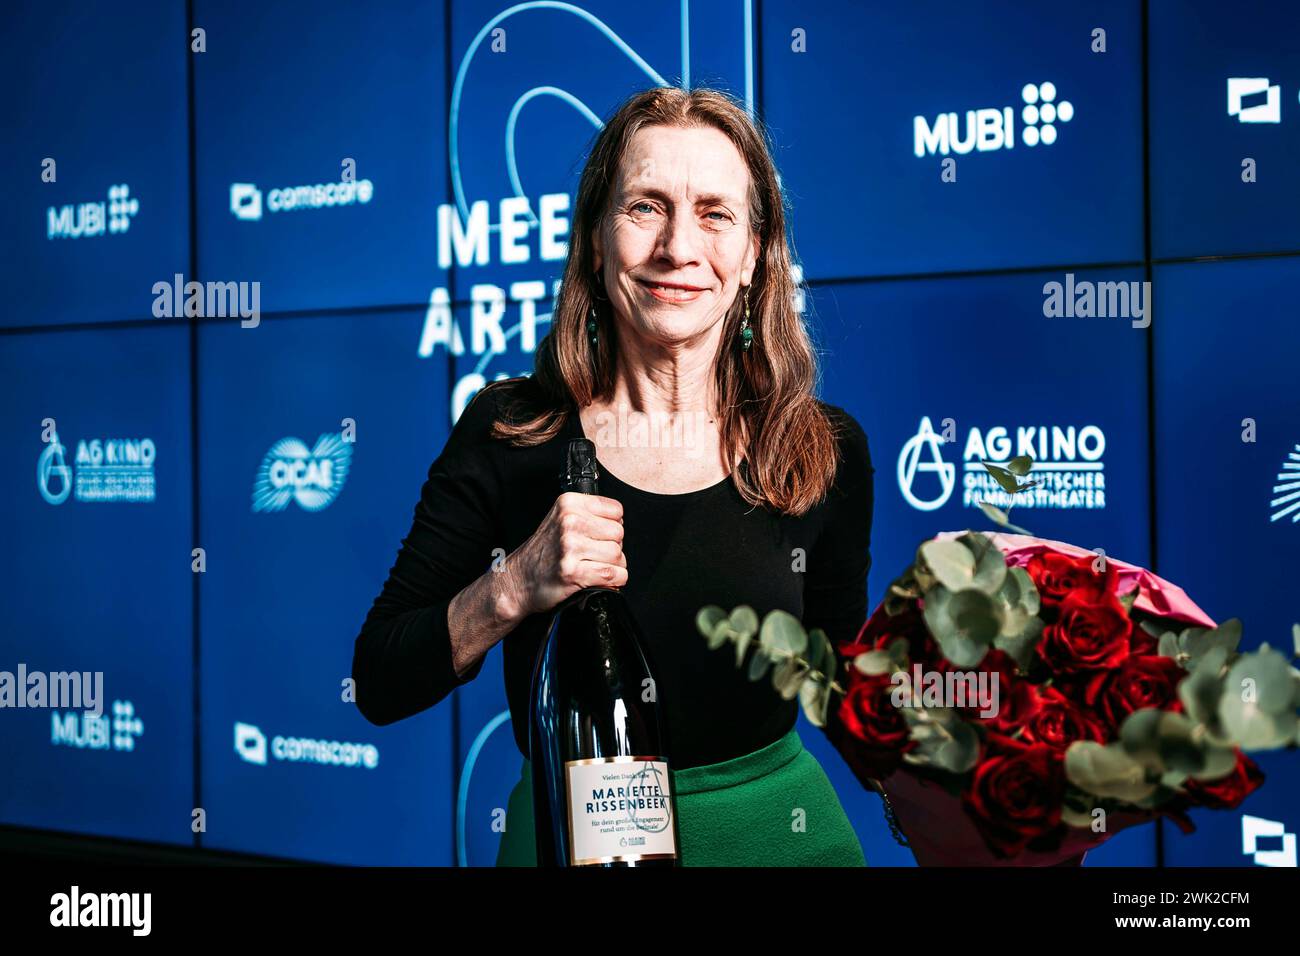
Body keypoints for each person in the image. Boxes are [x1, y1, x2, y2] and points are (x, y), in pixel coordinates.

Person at [352, 86, 874, 866]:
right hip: (569, 843)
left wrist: (998, 784)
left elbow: (847, 698)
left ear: (757, 255)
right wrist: (512, 587)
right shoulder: (509, 432)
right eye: (644, 207)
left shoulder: (819, 449)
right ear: (596, 239)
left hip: (778, 840)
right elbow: (379, 679)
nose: (678, 246)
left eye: (715, 214)